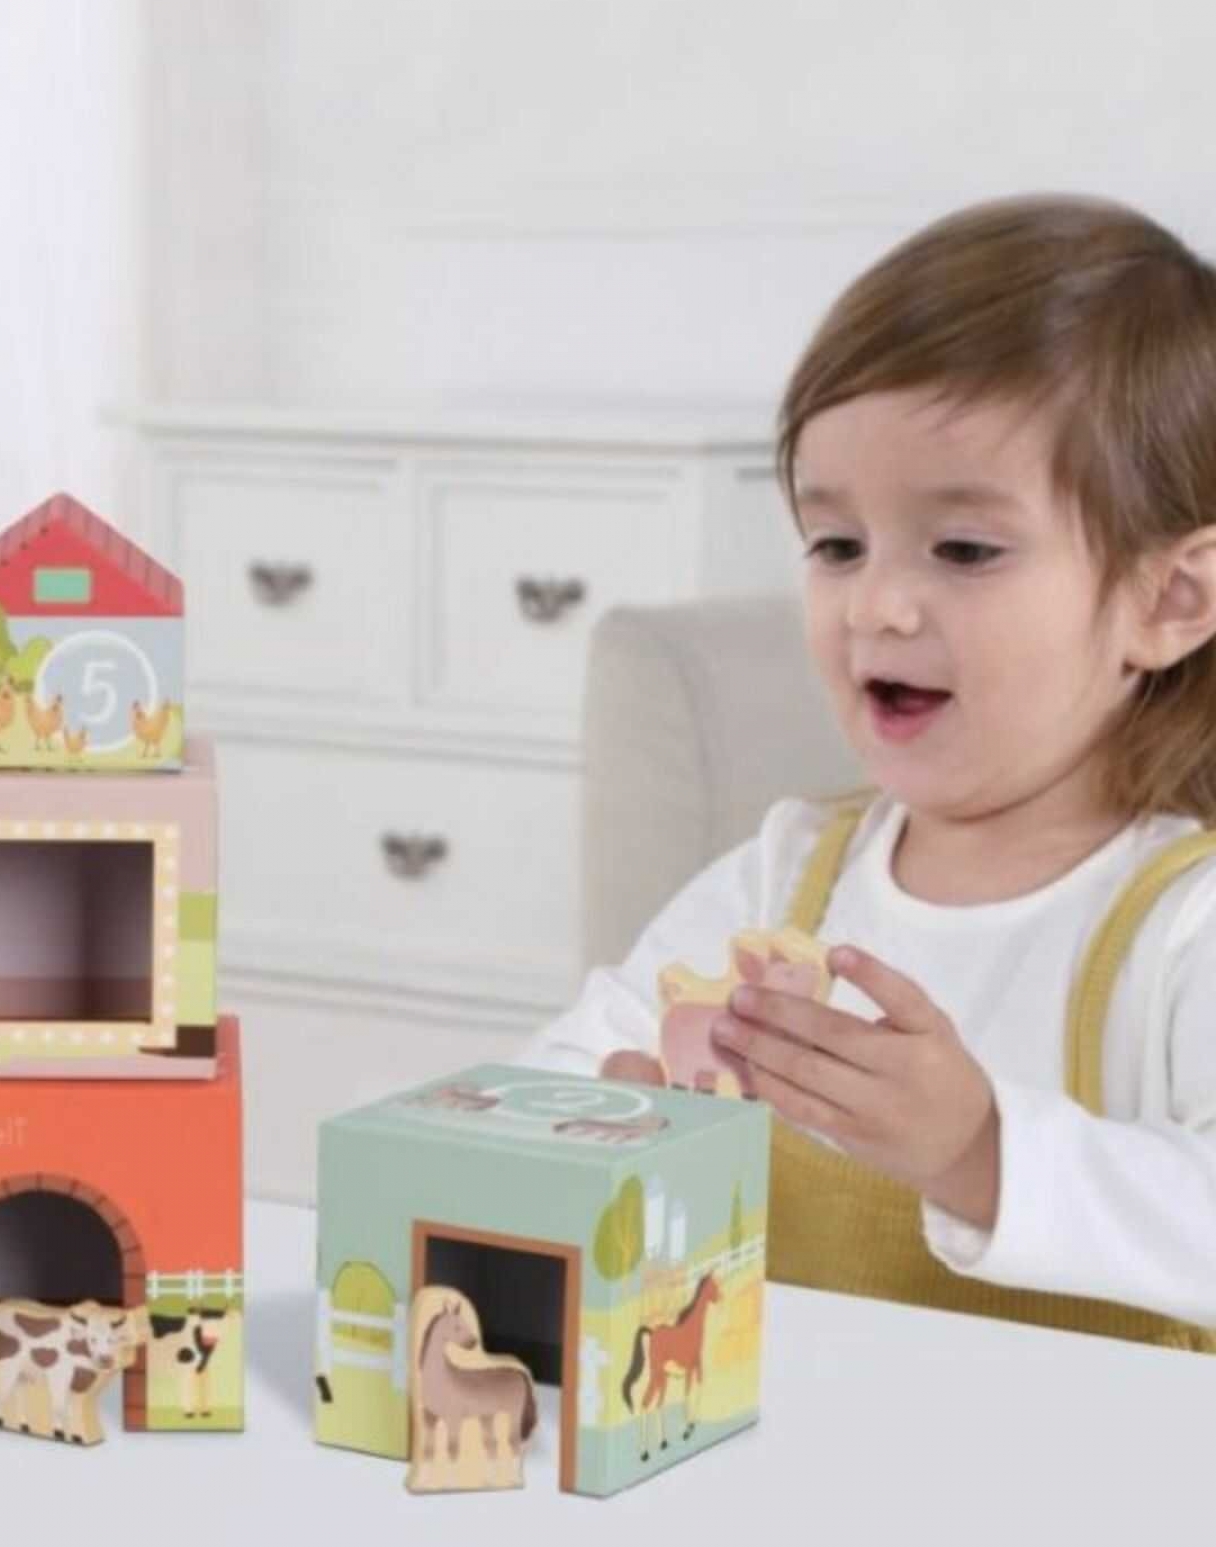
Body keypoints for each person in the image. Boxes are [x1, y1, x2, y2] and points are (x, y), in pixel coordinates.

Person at [521, 195, 1216, 1350]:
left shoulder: (1185, 921)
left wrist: (979, 1153)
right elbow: (571, 1055)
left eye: (965, 549)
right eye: (837, 544)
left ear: (1170, 600)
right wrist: (605, 1111)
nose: (877, 606)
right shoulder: (787, 880)